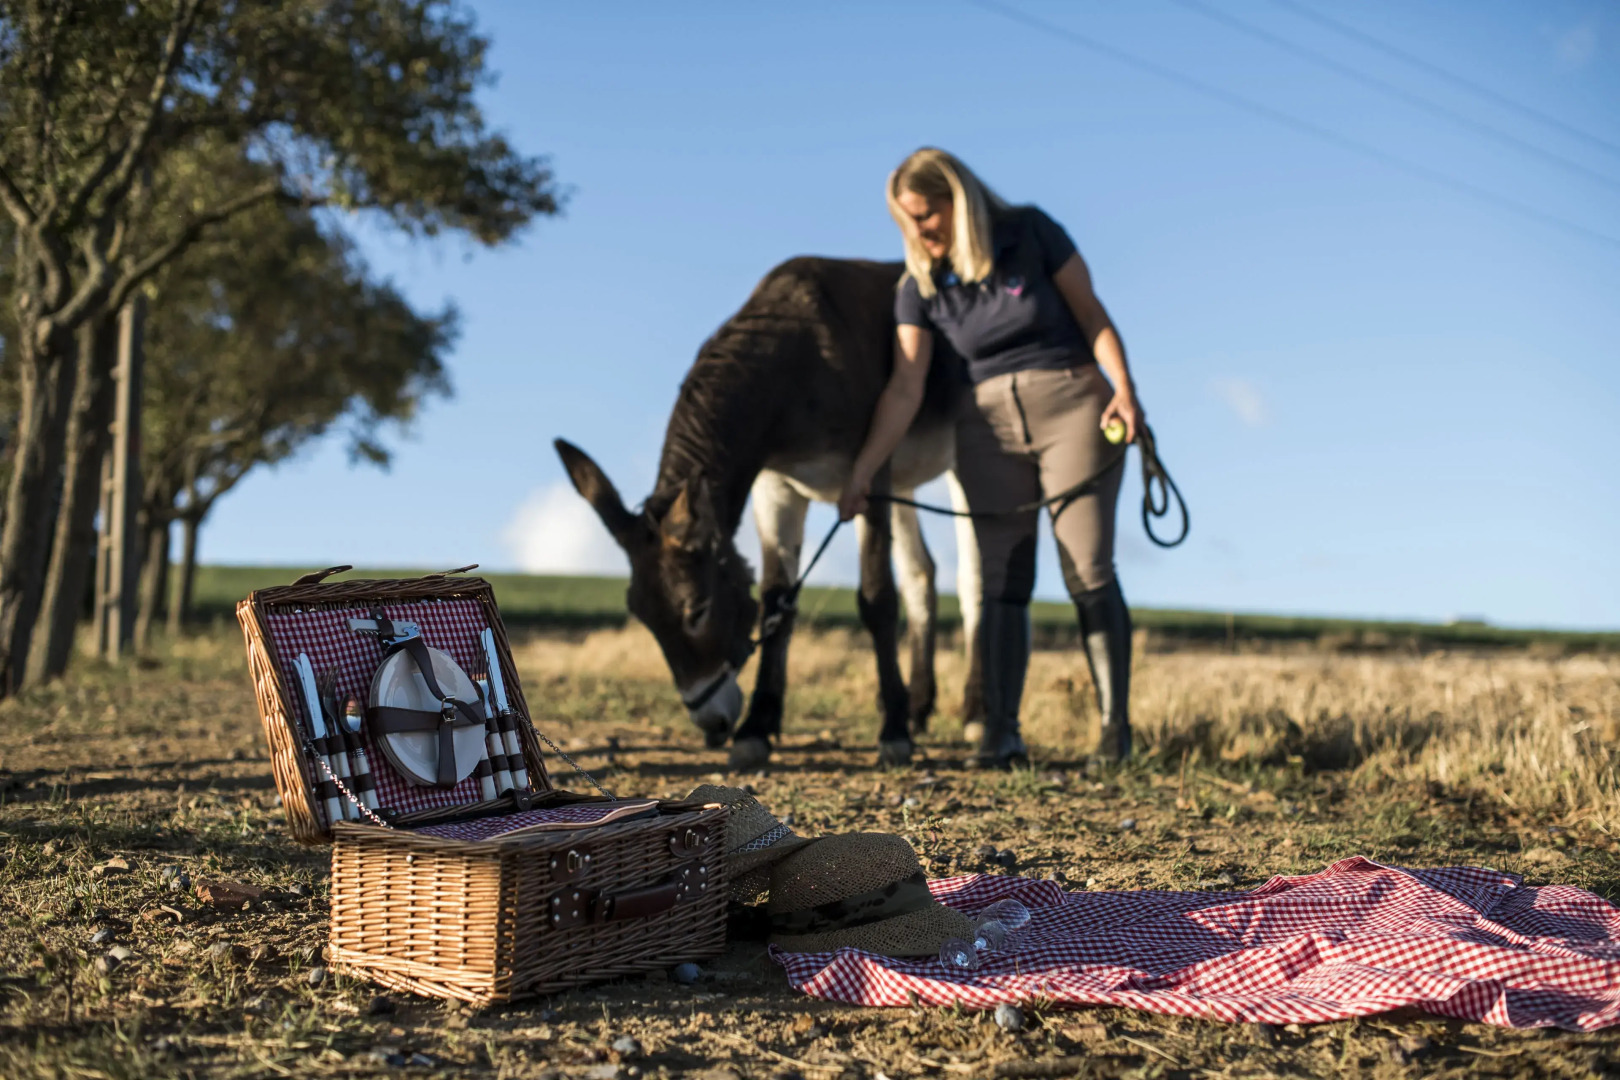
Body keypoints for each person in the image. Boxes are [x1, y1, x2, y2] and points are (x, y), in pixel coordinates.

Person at [837, 148, 1143, 769]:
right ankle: (1001, 732)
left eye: (925, 216)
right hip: (986, 428)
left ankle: (1115, 735)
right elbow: (905, 386)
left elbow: (1093, 315)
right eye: (907, 222)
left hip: (1073, 404)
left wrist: (1126, 391)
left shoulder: (1030, 232)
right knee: (1002, 575)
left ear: (958, 198)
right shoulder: (918, 287)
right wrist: (864, 471)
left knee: (1087, 566)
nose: (918, 232)